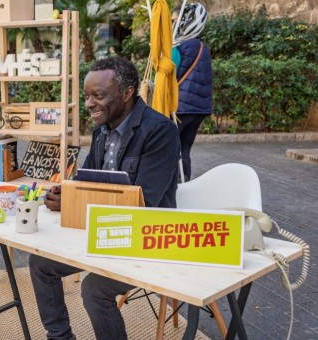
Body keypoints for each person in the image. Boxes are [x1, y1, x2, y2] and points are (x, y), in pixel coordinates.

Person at [30, 57, 181, 340]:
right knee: (40, 263)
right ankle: (59, 337)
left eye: (98, 95)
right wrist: (66, 194)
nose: (89, 104)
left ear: (127, 93)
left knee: (93, 289)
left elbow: (143, 204)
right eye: (87, 96)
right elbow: (86, 180)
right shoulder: (102, 129)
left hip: (144, 238)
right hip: (102, 232)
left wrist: (77, 202)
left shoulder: (160, 131)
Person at [171, 3, 213, 181]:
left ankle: (174, 187)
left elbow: (170, 76)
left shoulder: (179, 47)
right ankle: (185, 182)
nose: (172, 25)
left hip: (180, 108)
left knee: (170, 148)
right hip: (199, 109)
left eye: (174, 20)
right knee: (185, 149)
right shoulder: (203, 47)